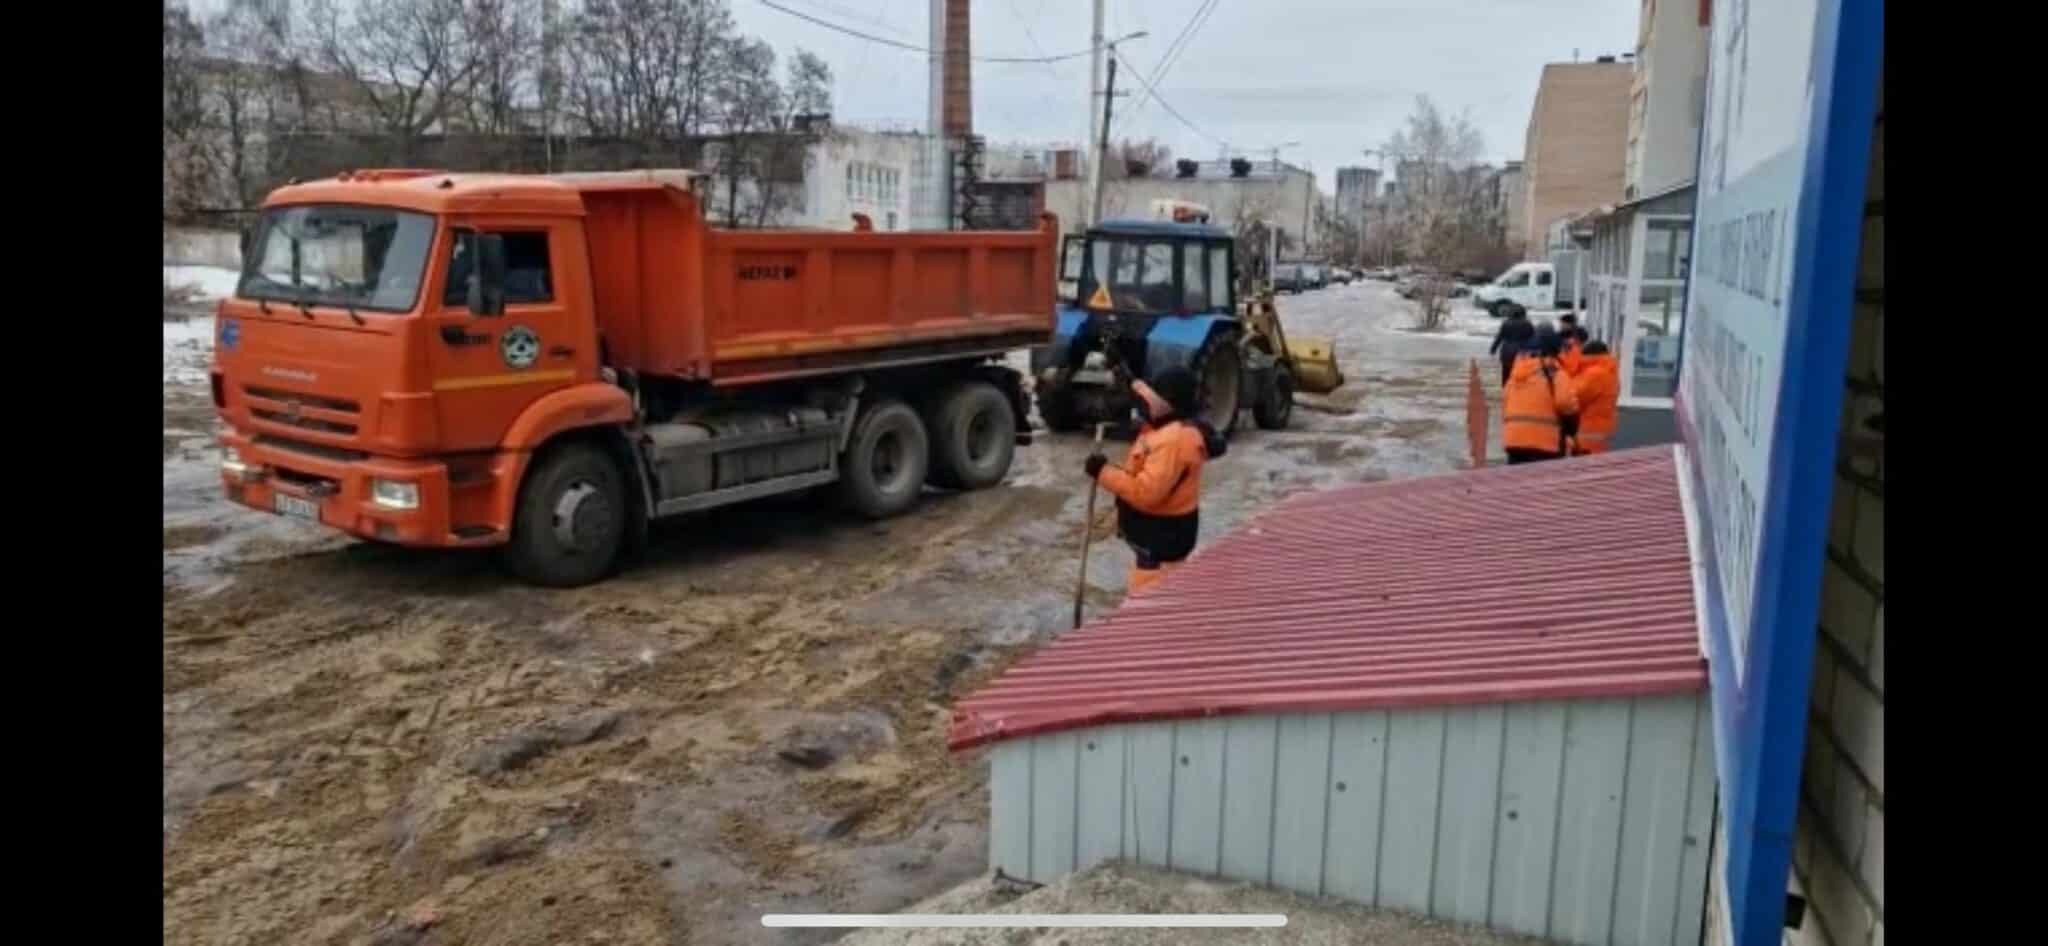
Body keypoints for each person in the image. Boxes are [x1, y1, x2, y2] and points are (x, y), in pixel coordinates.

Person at [1083, 367, 1227, 596]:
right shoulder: (1168, 430)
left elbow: (1146, 493)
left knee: (1147, 607)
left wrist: (1103, 473)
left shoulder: (1174, 441)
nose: (1145, 403)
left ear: (1168, 402)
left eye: (1151, 397)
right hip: (1162, 541)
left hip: (1160, 547)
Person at [1500, 325, 1580, 464]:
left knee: (1517, 482)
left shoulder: (1516, 373)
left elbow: (1505, 400)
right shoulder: (1554, 373)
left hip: (1514, 440)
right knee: (1543, 483)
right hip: (1544, 442)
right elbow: (1565, 403)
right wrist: (1572, 427)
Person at [1568, 340, 1619, 455]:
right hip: (1599, 432)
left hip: (1587, 434)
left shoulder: (1594, 374)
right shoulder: (1609, 372)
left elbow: (1574, 397)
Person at [1488, 303, 1533, 386]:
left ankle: (1506, 388)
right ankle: (1518, 390)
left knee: (1506, 372)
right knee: (1521, 372)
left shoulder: (1506, 323)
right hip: (1522, 352)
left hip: (1507, 352)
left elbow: (1499, 337)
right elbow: (1533, 338)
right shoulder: (1528, 324)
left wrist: (1493, 349)